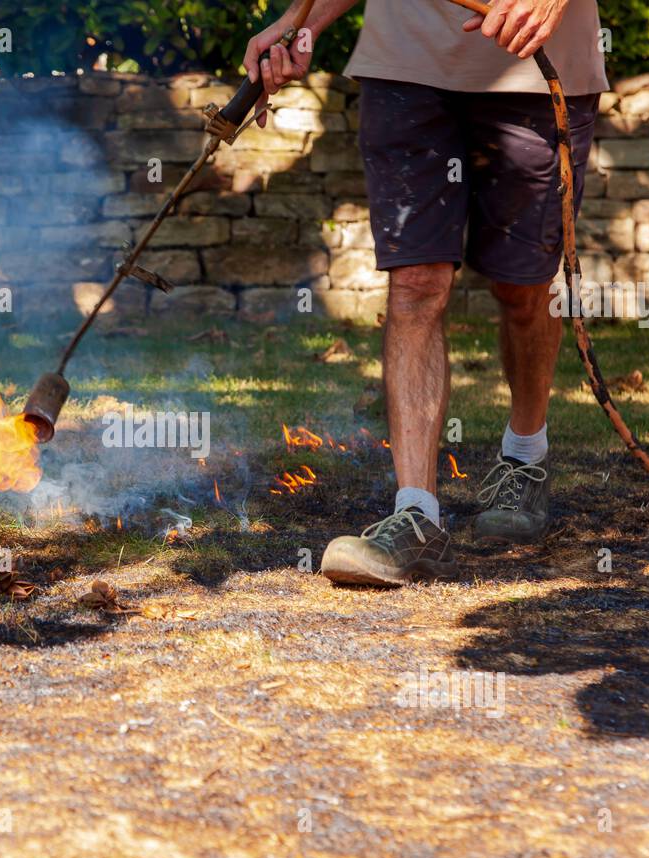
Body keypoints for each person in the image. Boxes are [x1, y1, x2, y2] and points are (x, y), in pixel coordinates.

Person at [243, 0, 608, 585]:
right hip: (404, 64)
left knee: (523, 287)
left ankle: (525, 457)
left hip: (535, 66)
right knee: (414, 283)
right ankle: (416, 514)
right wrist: (298, 24)